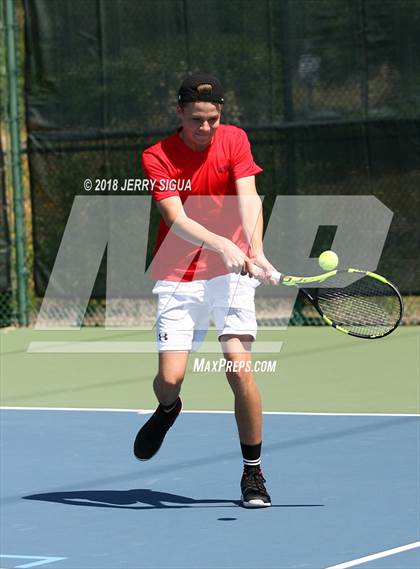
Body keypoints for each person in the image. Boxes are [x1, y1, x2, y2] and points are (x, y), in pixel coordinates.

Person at [134, 73, 276, 508]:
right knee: (170, 379)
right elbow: (176, 218)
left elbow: (249, 199)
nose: (206, 128)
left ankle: (252, 473)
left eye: (213, 119)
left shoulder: (234, 140)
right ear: (179, 113)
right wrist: (223, 244)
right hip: (178, 273)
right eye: (197, 119)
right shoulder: (157, 156)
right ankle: (169, 408)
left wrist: (258, 251)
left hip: (230, 274)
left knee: (239, 367)